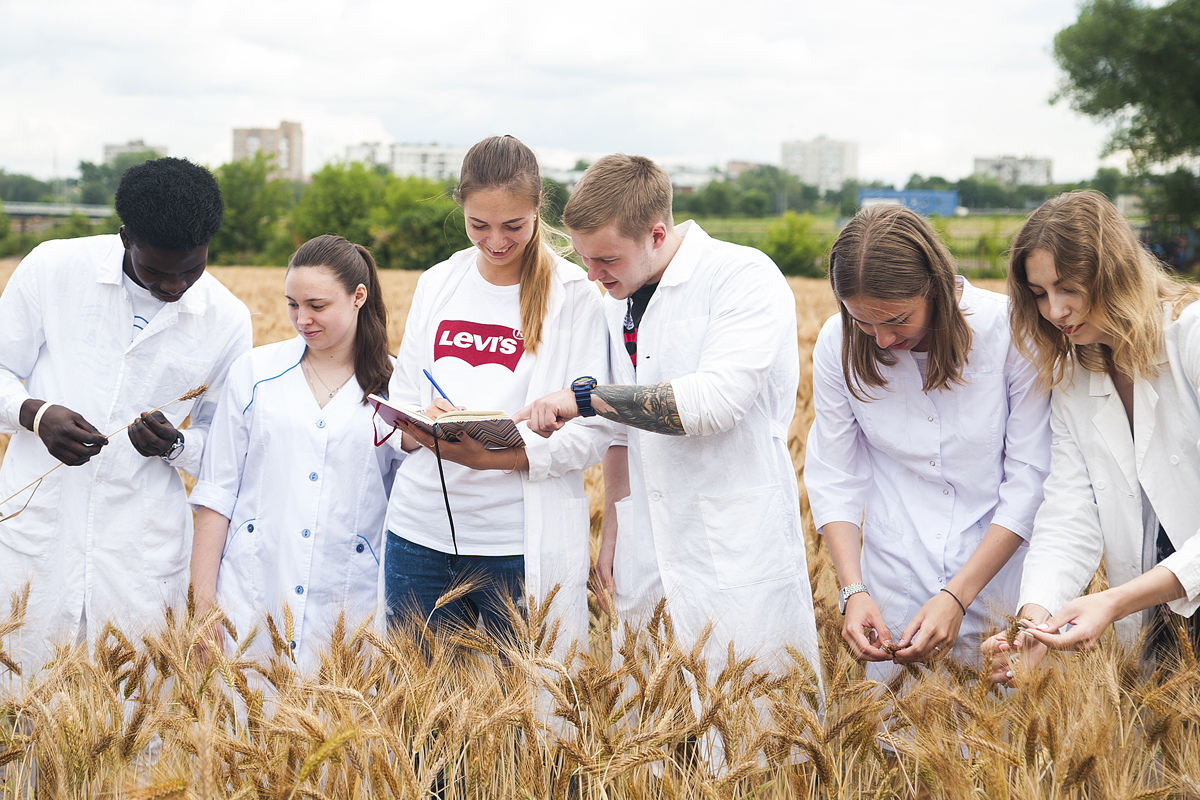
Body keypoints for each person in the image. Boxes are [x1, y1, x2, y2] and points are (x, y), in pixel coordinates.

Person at [515, 154, 823, 703]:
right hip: (645, 543)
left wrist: (584, 398)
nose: (592, 275)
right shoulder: (614, 299)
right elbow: (618, 431)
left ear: (657, 233)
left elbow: (713, 403)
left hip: (732, 540)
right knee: (652, 732)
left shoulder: (742, 276)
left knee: (753, 726)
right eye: (584, 259)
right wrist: (615, 528)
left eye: (606, 258)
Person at [0, 157, 252, 674]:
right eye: (157, 271)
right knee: (20, 700)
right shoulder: (54, 268)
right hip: (40, 540)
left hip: (141, 555)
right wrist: (35, 413)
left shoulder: (227, 319)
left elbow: (225, 447)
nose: (176, 285)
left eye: (191, 268)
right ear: (124, 238)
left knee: (131, 720)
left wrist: (175, 446)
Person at [803, 204, 1050, 687]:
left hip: (998, 579)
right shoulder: (837, 341)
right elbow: (835, 473)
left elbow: (1030, 479)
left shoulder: (1009, 332)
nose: (881, 338)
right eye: (863, 321)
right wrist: (853, 590)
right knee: (892, 748)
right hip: (891, 581)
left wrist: (958, 596)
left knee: (992, 746)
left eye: (897, 320)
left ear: (935, 287)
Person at [381, 135, 610, 654]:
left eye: (514, 226)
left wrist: (496, 458)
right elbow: (403, 393)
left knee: (526, 718)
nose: (496, 242)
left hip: (519, 542)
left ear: (537, 208)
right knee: (418, 716)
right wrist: (422, 424)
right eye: (478, 225)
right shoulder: (438, 282)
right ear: (460, 208)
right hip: (421, 532)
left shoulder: (573, 295)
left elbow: (597, 428)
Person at [983, 191, 1200, 682]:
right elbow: (1069, 511)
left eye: (1067, 287)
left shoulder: (1193, 337)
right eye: (1039, 294)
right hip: (1158, 628)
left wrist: (1116, 600)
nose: (1055, 310)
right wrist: (1033, 622)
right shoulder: (1074, 374)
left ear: (1113, 272)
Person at [189, 235, 401, 671]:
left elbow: (406, 505)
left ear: (358, 296)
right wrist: (203, 607)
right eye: (292, 304)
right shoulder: (254, 372)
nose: (301, 319)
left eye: (317, 306)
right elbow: (216, 494)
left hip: (350, 603)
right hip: (251, 594)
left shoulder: (398, 386)